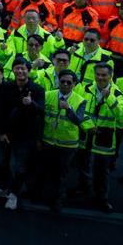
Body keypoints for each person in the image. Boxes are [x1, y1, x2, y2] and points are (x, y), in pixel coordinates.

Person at [0, 62, 46, 211]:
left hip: (25, 135)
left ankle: (13, 194)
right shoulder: (7, 87)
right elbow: (0, 110)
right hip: (6, 134)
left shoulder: (37, 89)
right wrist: (0, 132)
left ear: (29, 71)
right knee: (3, 163)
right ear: (12, 70)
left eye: (23, 68)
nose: (20, 71)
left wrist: (31, 104)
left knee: (18, 167)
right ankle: (1, 187)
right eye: (17, 68)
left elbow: (41, 111)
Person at [76, 62, 123, 213]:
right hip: (87, 133)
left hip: (104, 136)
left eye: (104, 75)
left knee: (102, 169)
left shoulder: (116, 93)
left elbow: (120, 113)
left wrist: (109, 97)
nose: (101, 78)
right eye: (98, 74)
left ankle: (101, 197)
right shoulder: (85, 88)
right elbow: (78, 109)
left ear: (110, 76)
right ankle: (83, 188)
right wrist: (88, 125)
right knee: (83, 164)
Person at [39, 69, 87, 213]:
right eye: (62, 81)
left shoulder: (80, 100)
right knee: (46, 170)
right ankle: (42, 195)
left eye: (69, 82)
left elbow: (79, 121)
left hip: (67, 145)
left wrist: (69, 109)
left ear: (74, 84)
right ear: (58, 81)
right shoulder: (47, 95)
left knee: (62, 174)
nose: (65, 84)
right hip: (48, 141)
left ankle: (58, 200)